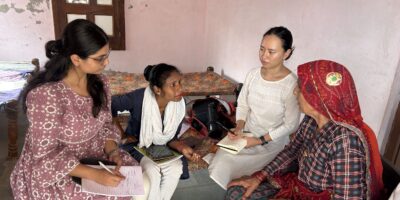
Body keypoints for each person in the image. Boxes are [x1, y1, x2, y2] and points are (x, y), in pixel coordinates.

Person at [10, 19, 149, 199]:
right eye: (100, 58)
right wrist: (95, 174)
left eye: (107, 55)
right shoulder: (47, 95)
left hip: (94, 154)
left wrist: (112, 151)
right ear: (76, 59)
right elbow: (45, 156)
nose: (106, 62)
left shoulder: (100, 83)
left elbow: (106, 123)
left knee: (135, 178)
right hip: (59, 169)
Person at [226, 60, 384, 199]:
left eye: (301, 87)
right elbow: (292, 151)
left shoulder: (345, 142)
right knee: (236, 193)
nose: (295, 92)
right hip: (298, 188)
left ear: (317, 96)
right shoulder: (312, 121)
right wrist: (259, 177)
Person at [207, 26, 300, 189]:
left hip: (271, 140)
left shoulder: (291, 84)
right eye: (261, 49)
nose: (264, 56)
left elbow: (291, 124)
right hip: (248, 132)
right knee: (221, 155)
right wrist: (239, 126)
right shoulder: (253, 75)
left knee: (227, 162)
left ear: (287, 53)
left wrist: (259, 140)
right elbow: (243, 104)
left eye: (271, 52)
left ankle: (238, 187)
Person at [111, 63, 200, 200]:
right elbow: (109, 105)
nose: (180, 88)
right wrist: (121, 134)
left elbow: (171, 139)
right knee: (153, 171)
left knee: (176, 168)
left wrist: (183, 148)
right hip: (138, 145)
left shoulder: (179, 106)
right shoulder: (138, 98)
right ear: (157, 90)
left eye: (180, 82)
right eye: (173, 84)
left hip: (162, 147)